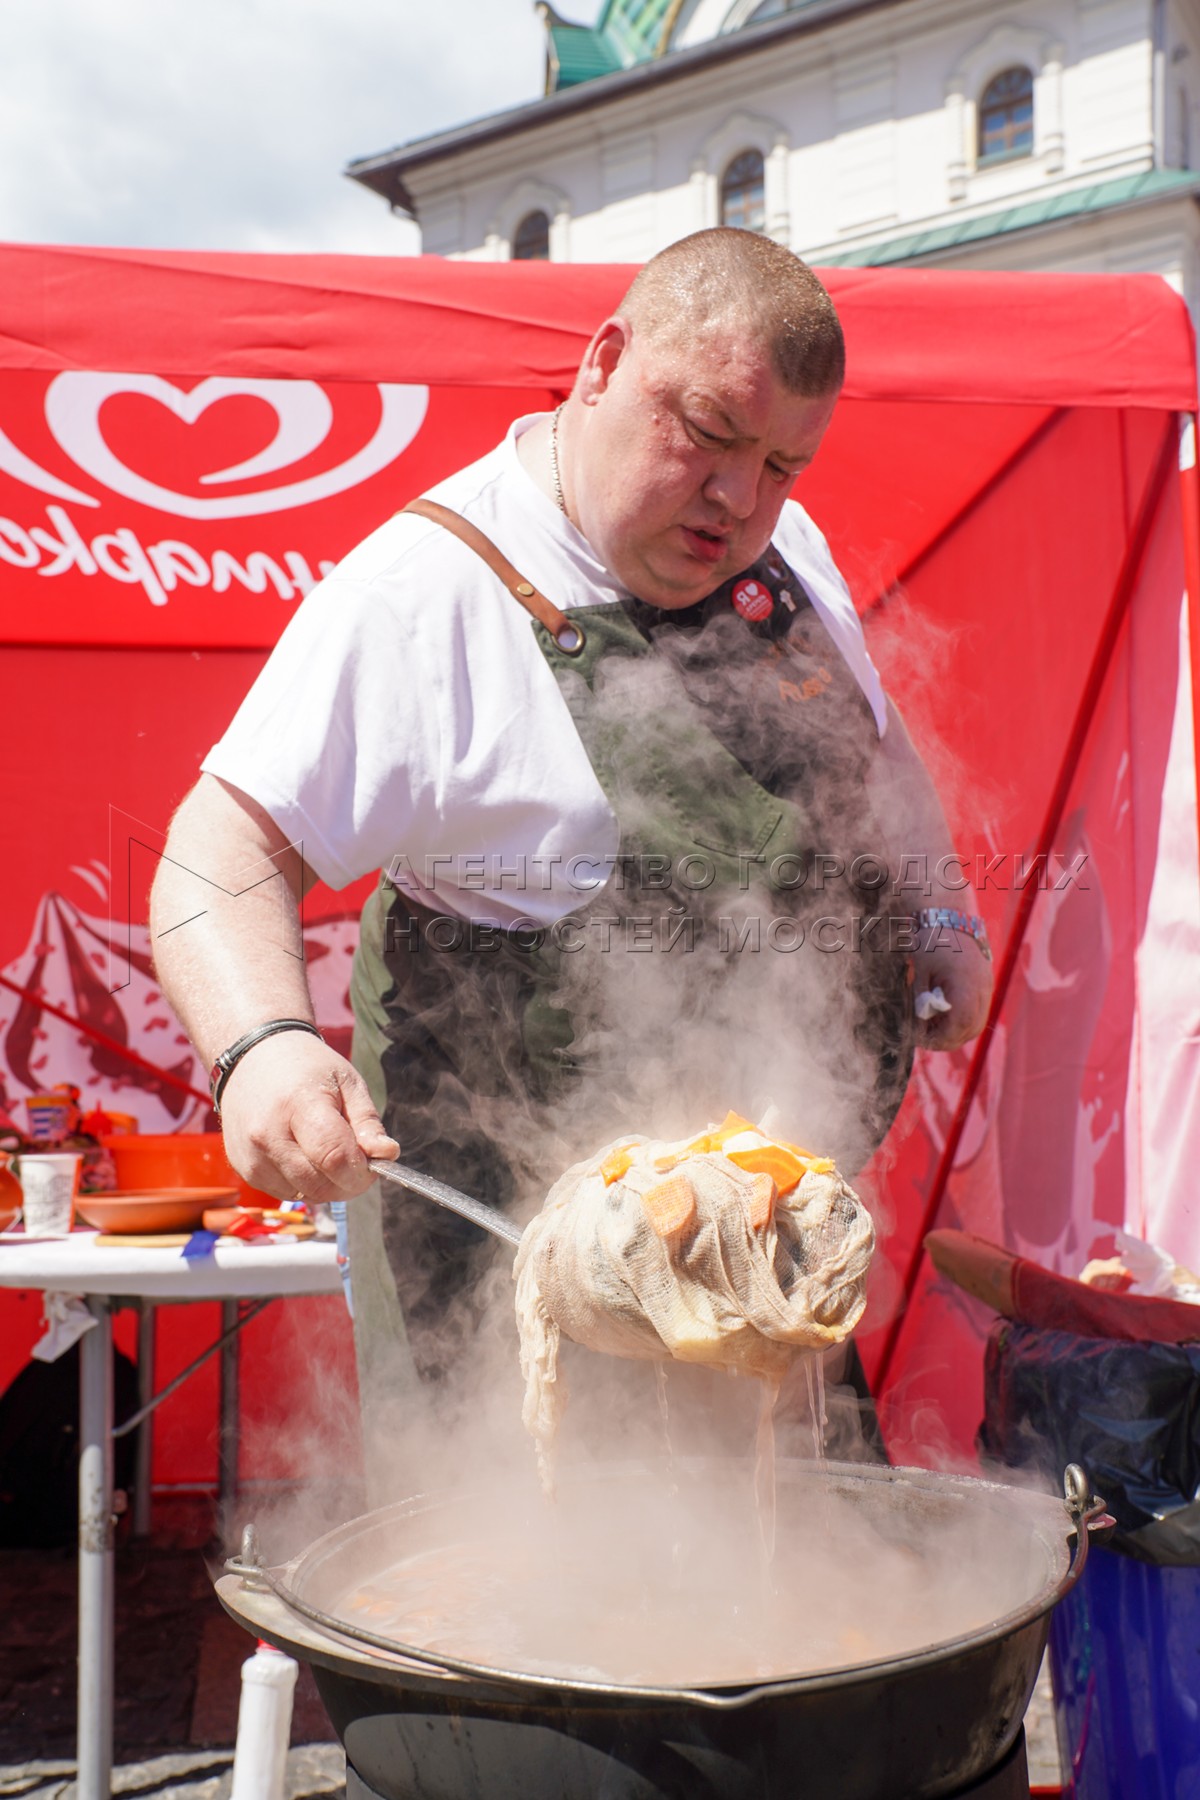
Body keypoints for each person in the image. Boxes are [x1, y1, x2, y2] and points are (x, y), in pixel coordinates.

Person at [150, 229, 993, 1445]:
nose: (739, 500)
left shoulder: (782, 552)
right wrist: (264, 1048)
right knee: (529, 1605)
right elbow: (212, 853)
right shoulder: (424, 593)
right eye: (704, 434)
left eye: (781, 466)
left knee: (789, 1599)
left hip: (759, 1245)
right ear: (603, 361)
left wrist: (942, 903)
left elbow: (879, 739)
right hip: (516, 1262)